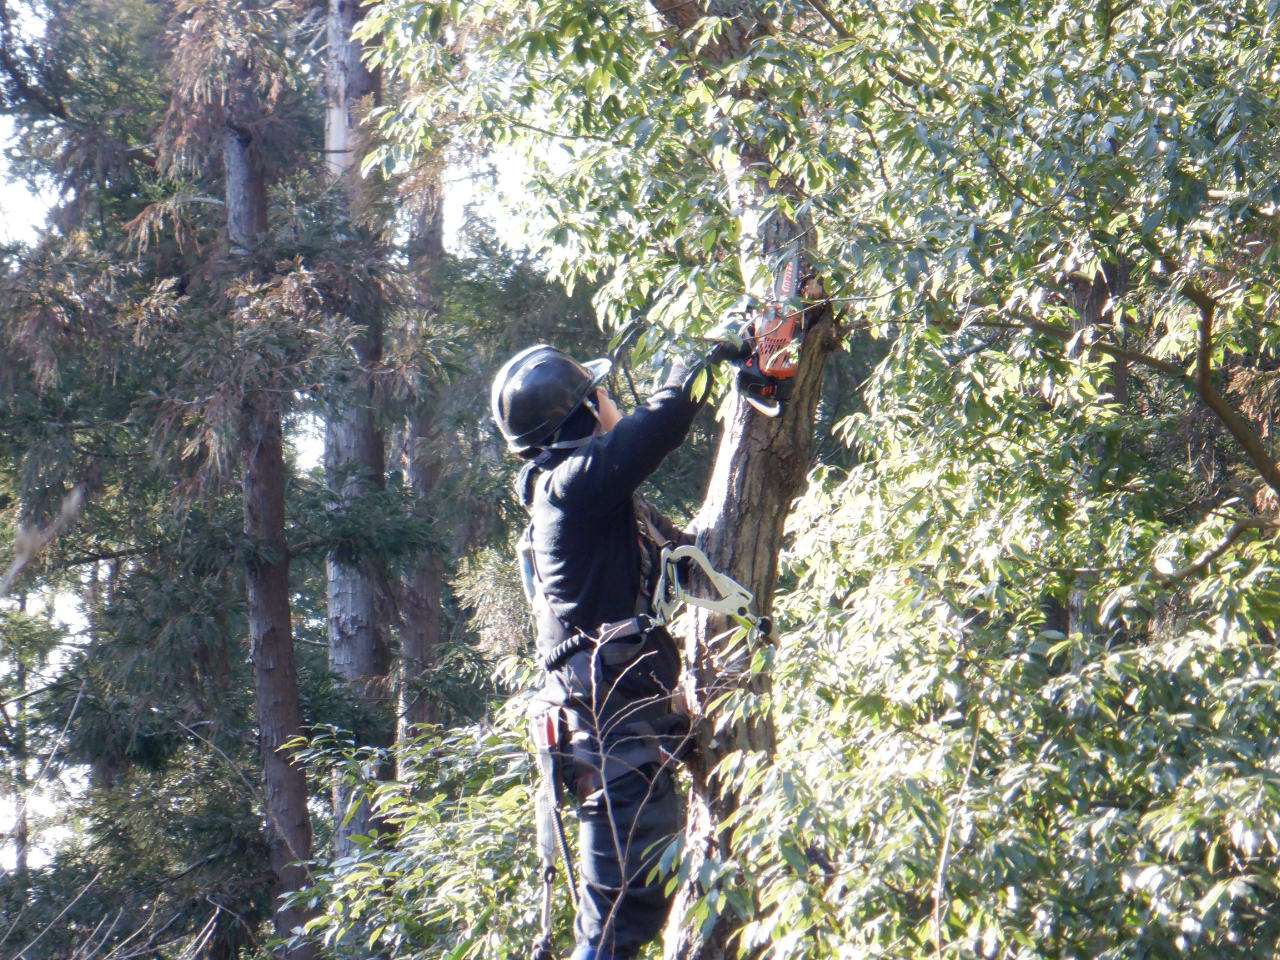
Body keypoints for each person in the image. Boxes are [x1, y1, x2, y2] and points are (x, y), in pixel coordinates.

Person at [490, 340, 742, 960]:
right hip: (609, 730)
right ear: (581, 414)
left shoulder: (587, 501)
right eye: (597, 396)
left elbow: (670, 561)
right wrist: (694, 362)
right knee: (622, 913)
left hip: (625, 718)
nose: (610, 402)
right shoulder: (569, 490)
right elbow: (652, 430)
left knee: (630, 905)